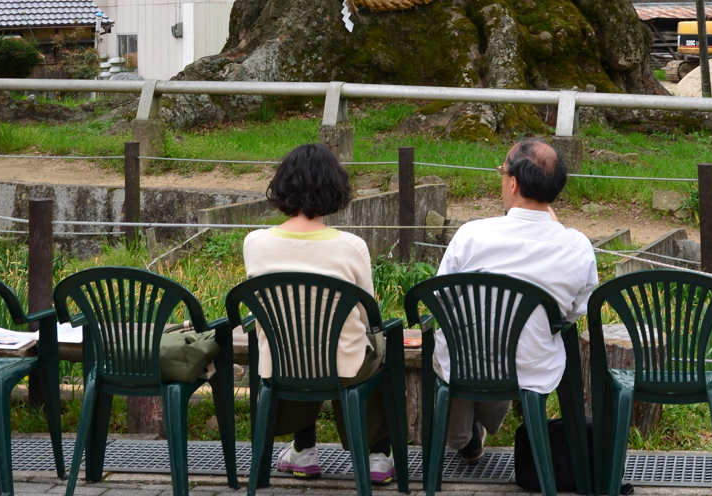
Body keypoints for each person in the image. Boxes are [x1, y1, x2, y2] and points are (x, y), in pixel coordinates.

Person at [433, 137, 597, 460]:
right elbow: (575, 311)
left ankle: (461, 437)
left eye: (502, 172)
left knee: (451, 348)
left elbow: (441, 298)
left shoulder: (472, 235)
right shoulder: (578, 247)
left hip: (465, 361)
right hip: (531, 365)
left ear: (513, 183)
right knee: (501, 351)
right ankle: (473, 432)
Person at [243, 143, 395, 484]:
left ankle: (304, 449)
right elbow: (368, 316)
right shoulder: (351, 247)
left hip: (280, 365)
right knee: (377, 349)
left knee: (299, 345)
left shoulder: (254, 243)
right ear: (335, 189)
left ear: (282, 185)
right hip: (345, 368)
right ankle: (378, 455)